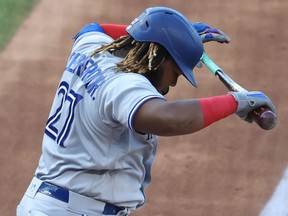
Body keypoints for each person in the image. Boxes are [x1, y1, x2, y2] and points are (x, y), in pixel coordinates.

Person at [17, 6, 275, 216]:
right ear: (158, 56)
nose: (173, 84)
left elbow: (93, 28)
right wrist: (235, 102)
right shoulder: (124, 85)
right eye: (175, 72)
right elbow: (167, 119)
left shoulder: (91, 49)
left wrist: (177, 37)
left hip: (52, 203)